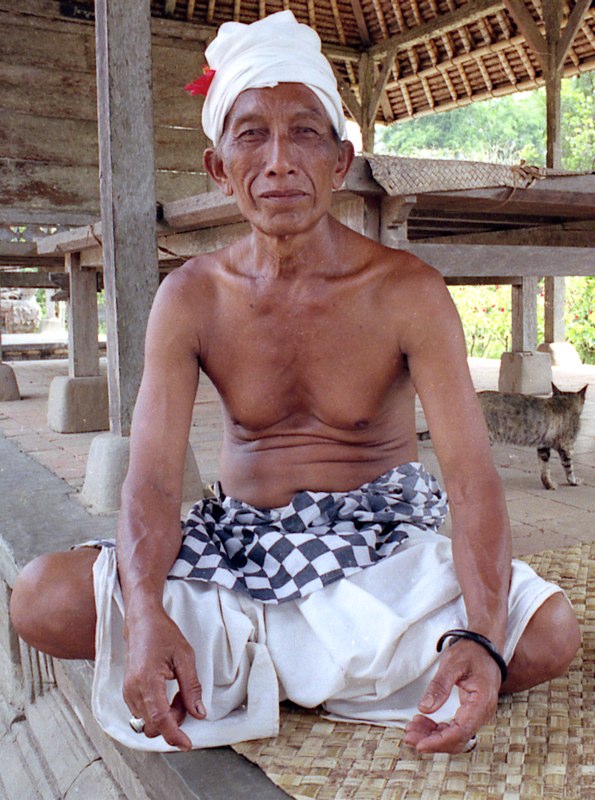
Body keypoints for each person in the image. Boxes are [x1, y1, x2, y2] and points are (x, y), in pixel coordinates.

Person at [10, 11, 579, 757]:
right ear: (219, 168)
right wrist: (146, 612)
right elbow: (150, 480)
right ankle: (319, 673)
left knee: (547, 633)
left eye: (305, 133)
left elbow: (472, 482)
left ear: (339, 162)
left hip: (376, 554)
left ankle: (256, 676)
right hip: (239, 550)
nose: (279, 161)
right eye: (251, 134)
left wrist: (477, 630)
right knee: (42, 598)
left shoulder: (406, 291)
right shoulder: (191, 296)